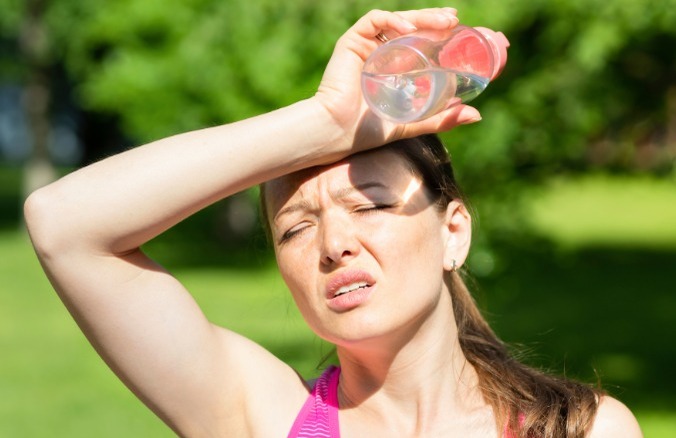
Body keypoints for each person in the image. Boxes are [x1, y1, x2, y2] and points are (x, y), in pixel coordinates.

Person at [25, 8, 642, 438]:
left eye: (370, 204)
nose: (334, 245)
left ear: (453, 231)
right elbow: (63, 223)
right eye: (295, 228)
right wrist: (321, 124)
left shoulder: (580, 430)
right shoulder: (263, 417)